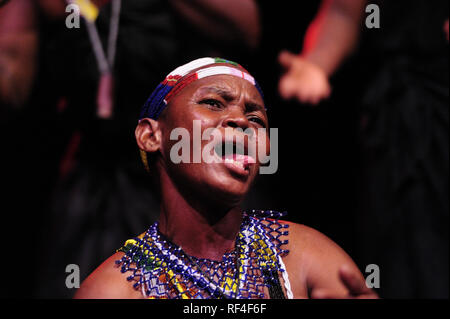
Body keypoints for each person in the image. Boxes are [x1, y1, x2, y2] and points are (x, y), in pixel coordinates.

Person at [74, 57, 378, 299]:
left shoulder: (304, 257)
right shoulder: (114, 290)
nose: (241, 120)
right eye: (214, 103)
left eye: (256, 118)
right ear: (152, 136)